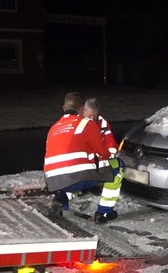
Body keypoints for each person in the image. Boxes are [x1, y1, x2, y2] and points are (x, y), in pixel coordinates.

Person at [44, 92, 124, 224]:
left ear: (64, 108)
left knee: (73, 172)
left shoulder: (53, 128)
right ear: (82, 108)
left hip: (53, 182)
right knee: (118, 165)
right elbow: (103, 153)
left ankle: (61, 198)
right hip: (76, 177)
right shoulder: (86, 124)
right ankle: (104, 212)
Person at [83, 97, 124, 213]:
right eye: (89, 115)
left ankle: (105, 210)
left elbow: (110, 143)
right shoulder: (79, 124)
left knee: (118, 166)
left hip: (98, 161)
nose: (91, 119)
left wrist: (108, 155)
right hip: (83, 162)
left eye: (94, 116)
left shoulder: (103, 124)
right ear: (84, 111)